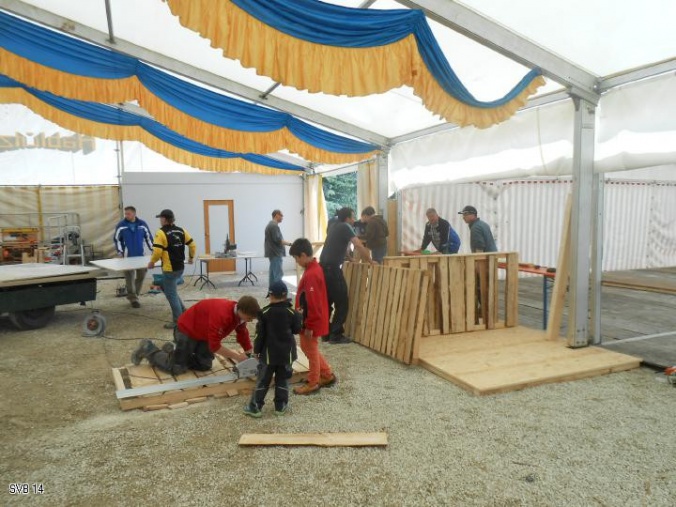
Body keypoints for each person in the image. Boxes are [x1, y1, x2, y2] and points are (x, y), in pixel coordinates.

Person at [131, 295, 260, 374]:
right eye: (249, 318)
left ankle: (174, 352)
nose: (249, 321)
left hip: (203, 334)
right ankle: (148, 349)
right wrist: (237, 357)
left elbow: (242, 334)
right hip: (187, 330)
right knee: (177, 368)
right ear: (241, 310)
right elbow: (215, 346)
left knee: (205, 365)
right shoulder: (222, 315)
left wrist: (250, 354)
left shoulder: (239, 315)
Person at [243, 281, 302, 417]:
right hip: (286, 355)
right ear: (285, 295)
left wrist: (256, 351)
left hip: (268, 355)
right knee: (283, 380)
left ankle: (255, 407)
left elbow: (259, 335)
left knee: (263, 380)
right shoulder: (292, 313)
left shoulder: (264, 313)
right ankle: (280, 406)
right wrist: (299, 316)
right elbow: (296, 330)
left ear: (270, 295)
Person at [319, 207, 375, 344]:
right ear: (347, 218)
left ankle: (325, 333)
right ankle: (336, 335)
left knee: (327, 301)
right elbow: (358, 245)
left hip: (323, 268)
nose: (354, 220)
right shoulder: (345, 227)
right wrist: (370, 260)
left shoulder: (334, 224)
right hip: (332, 270)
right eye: (352, 217)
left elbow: (339, 245)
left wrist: (349, 258)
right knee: (342, 302)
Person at [289, 238, 337, 395]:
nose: (296, 261)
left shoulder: (311, 274)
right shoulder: (313, 269)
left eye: (296, 258)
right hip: (309, 319)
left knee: (310, 349)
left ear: (303, 255)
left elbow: (313, 303)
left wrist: (310, 325)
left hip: (310, 320)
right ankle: (327, 374)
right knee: (309, 347)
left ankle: (313, 382)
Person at [147, 209, 196, 328]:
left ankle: (178, 322)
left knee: (171, 294)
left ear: (164, 219)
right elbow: (192, 245)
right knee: (171, 290)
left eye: (160, 218)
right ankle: (183, 311)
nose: (160, 220)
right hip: (180, 267)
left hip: (169, 268)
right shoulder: (181, 230)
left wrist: (152, 262)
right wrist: (191, 258)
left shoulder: (161, 233)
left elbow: (157, 251)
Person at [113, 206, 153, 308]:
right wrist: (120, 252)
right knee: (129, 278)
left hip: (141, 256)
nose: (126, 215)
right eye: (125, 214)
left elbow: (148, 238)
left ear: (134, 214)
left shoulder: (142, 224)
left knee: (141, 276)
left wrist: (154, 250)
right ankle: (133, 298)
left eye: (128, 214)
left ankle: (135, 294)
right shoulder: (121, 225)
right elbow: (117, 240)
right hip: (127, 257)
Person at [264, 209, 292, 289]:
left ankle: (271, 291)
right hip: (275, 253)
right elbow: (278, 240)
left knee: (273, 275)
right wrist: (291, 244)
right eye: (281, 215)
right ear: (276, 215)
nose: (282, 217)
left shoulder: (271, 225)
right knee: (277, 275)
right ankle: (278, 293)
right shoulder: (274, 226)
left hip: (273, 253)